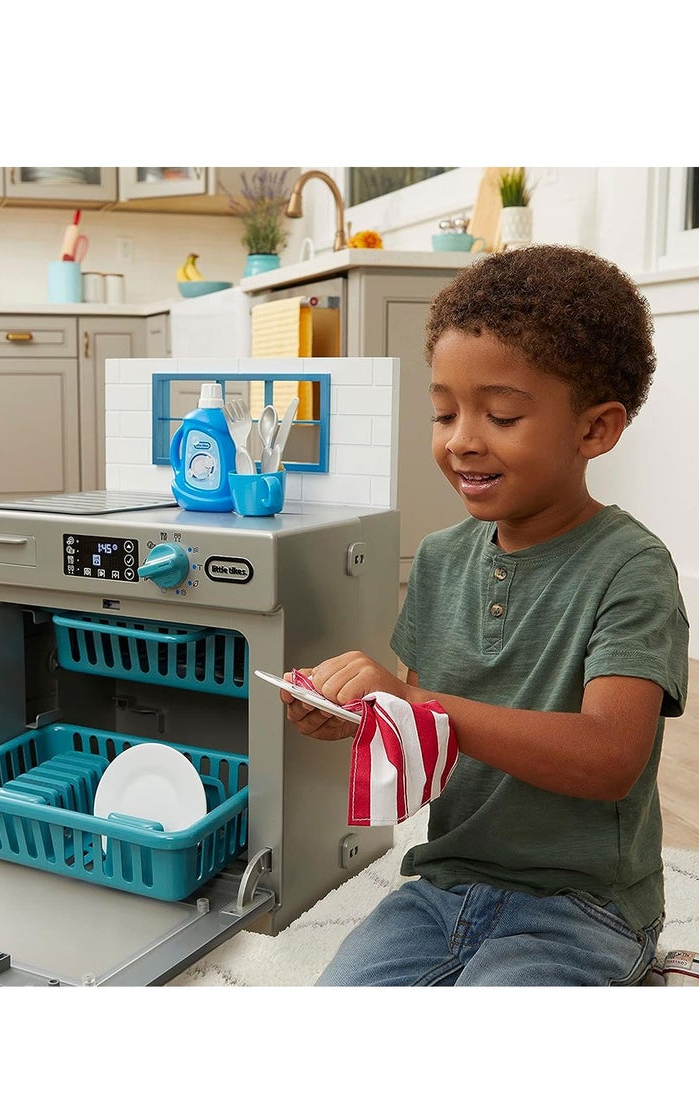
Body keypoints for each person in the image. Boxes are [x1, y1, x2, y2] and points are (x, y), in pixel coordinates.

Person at [281, 244, 689, 987]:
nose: (462, 437)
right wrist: (368, 717)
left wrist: (414, 701)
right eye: (445, 411)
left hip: (585, 905)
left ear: (594, 430)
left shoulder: (632, 568)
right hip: (445, 886)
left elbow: (608, 758)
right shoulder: (438, 558)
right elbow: (431, 736)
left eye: (500, 414)